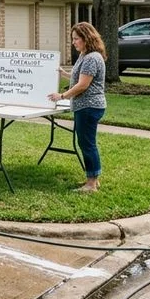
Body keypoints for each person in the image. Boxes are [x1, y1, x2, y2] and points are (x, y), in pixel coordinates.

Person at [48, 22, 107, 193]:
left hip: (89, 107)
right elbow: (77, 77)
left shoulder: (91, 58)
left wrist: (62, 96)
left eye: (76, 39)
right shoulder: (84, 55)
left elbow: (82, 85)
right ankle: (94, 179)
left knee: (87, 144)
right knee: (87, 142)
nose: (73, 42)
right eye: (72, 39)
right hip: (86, 106)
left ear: (86, 38)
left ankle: (91, 184)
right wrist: (63, 73)